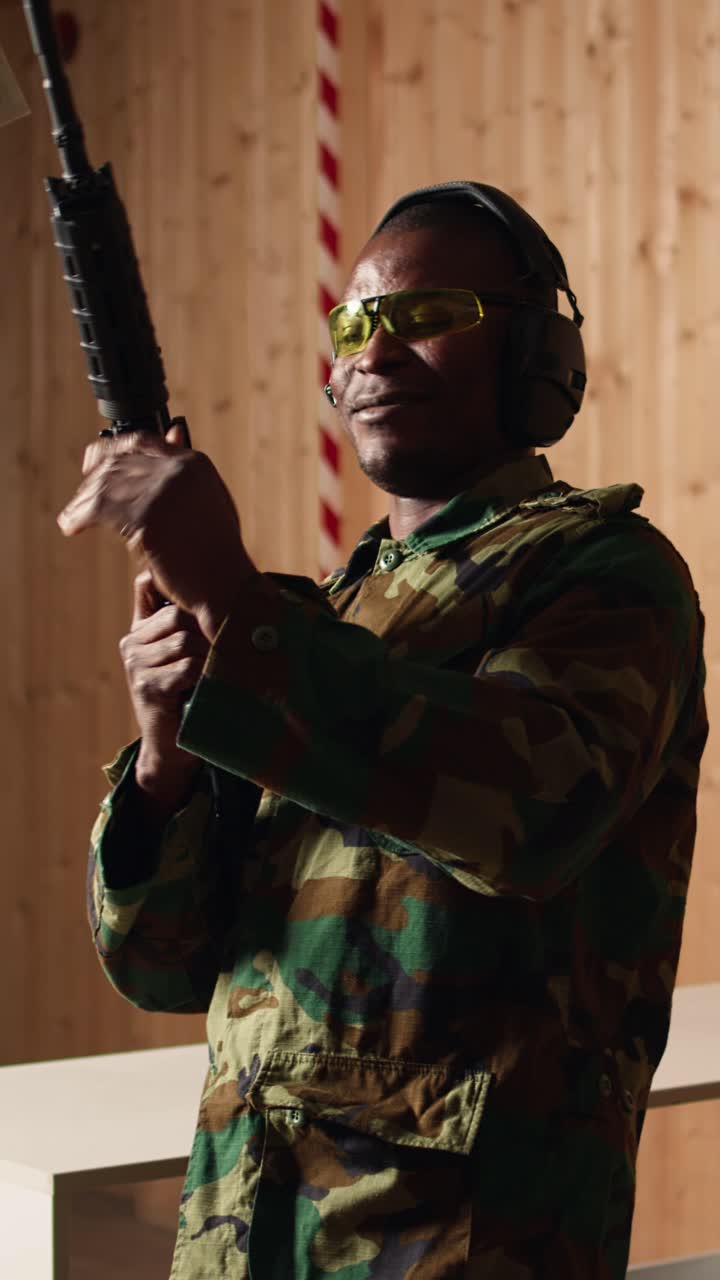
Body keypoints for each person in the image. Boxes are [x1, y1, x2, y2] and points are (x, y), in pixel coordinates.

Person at [61, 182, 707, 1280]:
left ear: (535, 352)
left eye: (430, 314)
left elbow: (533, 815)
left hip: (456, 1241)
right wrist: (168, 760)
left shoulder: (607, 572)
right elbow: (163, 961)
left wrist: (230, 599)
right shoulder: (323, 622)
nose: (378, 350)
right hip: (244, 1225)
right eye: (357, 323)